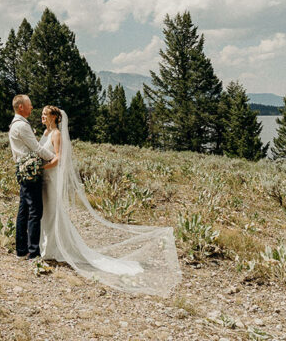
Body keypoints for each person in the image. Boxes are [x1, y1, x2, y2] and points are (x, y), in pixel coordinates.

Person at [36, 105, 182, 296]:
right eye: (42, 114)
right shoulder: (46, 132)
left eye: (45, 114)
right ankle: (46, 246)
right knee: (45, 212)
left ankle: (56, 248)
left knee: (54, 211)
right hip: (44, 178)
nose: (42, 116)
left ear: (54, 117)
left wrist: (40, 168)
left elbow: (58, 158)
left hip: (51, 177)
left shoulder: (55, 134)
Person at [8, 94, 55, 259]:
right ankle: (33, 251)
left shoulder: (16, 124)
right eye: (29, 105)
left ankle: (21, 248)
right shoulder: (21, 126)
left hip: (22, 170)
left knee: (24, 210)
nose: (32, 107)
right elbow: (36, 148)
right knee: (35, 211)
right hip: (30, 173)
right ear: (21, 107)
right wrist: (54, 158)